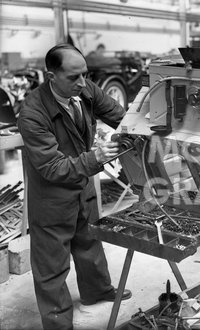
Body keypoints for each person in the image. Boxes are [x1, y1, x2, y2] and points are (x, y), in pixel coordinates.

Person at [17, 43, 131, 330]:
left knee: (89, 240)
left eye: (85, 74)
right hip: (51, 195)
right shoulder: (31, 113)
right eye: (73, 77)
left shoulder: (85, 89)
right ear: (51, 76)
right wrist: (95, 157)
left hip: (81, 182)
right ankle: (57, 323)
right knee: (52, 265)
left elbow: (120, 116)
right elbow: (52, 167)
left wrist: (136, 132)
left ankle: (97, 291)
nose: (82, 82)